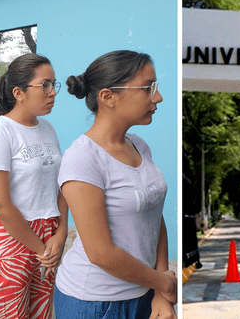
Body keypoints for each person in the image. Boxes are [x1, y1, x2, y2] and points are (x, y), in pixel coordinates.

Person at [55, 50, 176, 319]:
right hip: (96, 304)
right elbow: (101, 253)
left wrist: (159, 293)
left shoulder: (139, 145)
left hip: (144, 293)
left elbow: (154, 217)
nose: (158, 97)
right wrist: (164, 283)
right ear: (108, 96)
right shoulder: (82, 159)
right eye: (148, 88)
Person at [0, 53, 67, 319]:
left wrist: (59, 235)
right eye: (45, 85)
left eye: (54, 84)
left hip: (48, 232)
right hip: (10, 234)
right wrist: (41, 249)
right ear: (19, 92)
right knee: (7, 314)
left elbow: (59, 185)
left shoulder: (47, 127)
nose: (52, 92)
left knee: (41, 311)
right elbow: (0, 204)